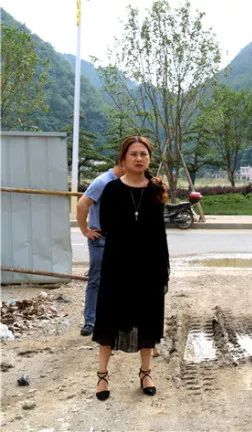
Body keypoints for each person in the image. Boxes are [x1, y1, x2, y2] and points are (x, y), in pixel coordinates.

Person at [92, 136, 170, 401]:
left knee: (148, 319)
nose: (139, 158)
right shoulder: (112, 190)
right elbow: (109, 229)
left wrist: (163, 270)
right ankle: (102, 376)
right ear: (123, 159)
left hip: (149, 267)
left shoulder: (155, 190)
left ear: (149, 159)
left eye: (143, 154)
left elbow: (160, 234)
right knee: (109, 318)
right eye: (133, 154)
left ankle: (146, 372)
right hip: (118, 266)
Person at [76, 163, 124, 336]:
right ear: (122, 162)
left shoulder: (124, 182)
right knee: (96, 280)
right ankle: (90, 321)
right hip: (100, 239)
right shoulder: (102, 182)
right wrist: (85, 231)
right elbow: (82, 205)